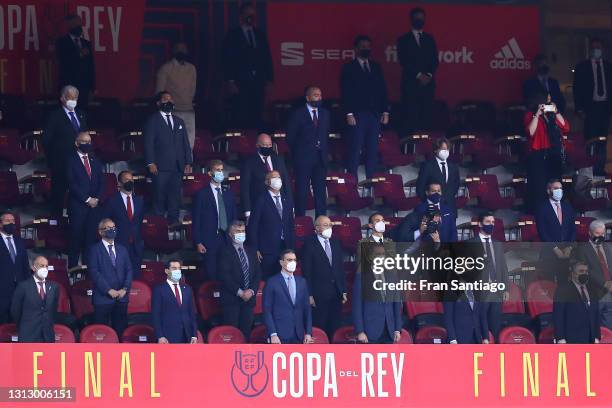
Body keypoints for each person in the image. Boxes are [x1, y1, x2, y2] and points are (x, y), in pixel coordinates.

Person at [341, 35, 389, 180]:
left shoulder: (376, 67)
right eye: (362, 47)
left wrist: (385, 111)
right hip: (357, 114)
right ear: (356, 49)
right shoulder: (349, 68)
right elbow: (345, 92)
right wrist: (349, 113)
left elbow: (383, 90)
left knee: (373, 149)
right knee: (355, 149)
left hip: (374, 114)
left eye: (368, 47)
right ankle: (352, 183)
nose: (366, 49)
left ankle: (371, 182)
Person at [144, 91, 193, 226]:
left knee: (175, 197)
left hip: (177, 166)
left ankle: (174, 222)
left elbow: (185, 144)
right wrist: (150, 162)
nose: (169, 102)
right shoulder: (152, 120)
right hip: (160, 166)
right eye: (165, 99)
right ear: (159, 103)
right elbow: (148, 143)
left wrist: (188, 162)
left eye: (171, 99)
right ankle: (159, 225)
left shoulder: (179, 121)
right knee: (159, 197)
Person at [223, 2, 273, 128]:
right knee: (241, 114)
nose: (251, 17)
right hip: (240, 82)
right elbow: (227, 59)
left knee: (257, 114)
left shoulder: (260, 35)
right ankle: (242, 144)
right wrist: (230, 81)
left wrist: (269, 79)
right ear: (241, 16)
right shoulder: (232, 35)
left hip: (258, 82)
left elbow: (267, 58)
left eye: (253, 15)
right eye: (248, 14)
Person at [43, 85, 88, 216]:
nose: (73, 100)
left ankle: (75, 221)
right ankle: (55, 223)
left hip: (79, 163)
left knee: (79, 194)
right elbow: (46, 140)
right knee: (58, 195)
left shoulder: (81, 114)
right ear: (62, 98)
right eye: (70, 97)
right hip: (61, 164)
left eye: (76, 98)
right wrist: (53, 162)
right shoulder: (54, 116)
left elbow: (84, 136)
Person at [301, 216, 347, 340]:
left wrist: (343, 290)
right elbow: (307, 272)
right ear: (317, 228)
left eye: (330, 225)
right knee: (320, 326)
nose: (329, 228)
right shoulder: (309, 244)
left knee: (335, 326)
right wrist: (309, 294)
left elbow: (340, 269)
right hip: (318, 294)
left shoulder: (335, 242)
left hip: (336, 293)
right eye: (326, 225)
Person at [287, 86, 329, 217]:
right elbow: (290, 138)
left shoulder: (326, 113)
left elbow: (324, 135)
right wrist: (300, 153)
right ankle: (300, 221)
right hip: (303, 160)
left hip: (320, 159)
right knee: (302, 192)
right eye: (316, 95)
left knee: (320, 193)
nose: (319, 97)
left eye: (320, 95)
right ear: (308, 97)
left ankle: (321, 221)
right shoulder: (297, 114)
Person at [466, 212, 509, 340]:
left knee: (495, 325)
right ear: (480, 224)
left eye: (493, 222)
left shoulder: (497, 243)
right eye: (487, 222)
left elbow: (503, 267)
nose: (491, 225)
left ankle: (494, 353)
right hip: (480, 291)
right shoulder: (470, 243)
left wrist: (505, 288)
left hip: (497, 290)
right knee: (480, 324)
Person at [524, 93, 570, 213]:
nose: (548, 104)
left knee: (555, 183)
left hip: (553, 154)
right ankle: (539, 212)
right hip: (538, 155)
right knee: (539, 187)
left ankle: (555, 211)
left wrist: (556, 111)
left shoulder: (552, 116)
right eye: (546, 101)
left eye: (550, 101)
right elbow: (530, 132)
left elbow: (566, 127)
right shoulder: (530, 114)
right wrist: (537, 114)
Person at [192, 160, 237, 280]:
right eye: (217, 170)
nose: (220, 173)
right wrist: (198, 242)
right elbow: (196, 219)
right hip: (209, 240)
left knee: (227, 274)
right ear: (209, 173)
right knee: (211, 274)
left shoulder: (229, 194)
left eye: (222, 170)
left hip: (226, 240)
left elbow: (233, 219)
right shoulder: (201, 194)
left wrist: (235, 238)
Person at [397, 7, 439, 134]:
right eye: (416, 17)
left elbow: (434, 60)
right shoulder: (403, 40)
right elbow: (404, 61)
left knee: (426, 120)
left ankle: (425, 151)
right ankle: (410, 151)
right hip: (410, 86)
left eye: (421, 17)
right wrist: (419, 75)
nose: (419, 20)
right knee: (410, 119)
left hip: (428, 86)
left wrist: (428, 75)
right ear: (411, 20)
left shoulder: (430, 39)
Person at [88, 219, 133, 338]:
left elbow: (129, 270)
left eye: (113, 227)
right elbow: (94, 272)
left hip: (121, 298)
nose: (112, 230)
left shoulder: (122, 249)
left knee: (121, 333)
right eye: (108, 228)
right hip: (103, 299)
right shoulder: (94, 249)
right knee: (101, 334)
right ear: (100, 232)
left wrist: (125, 289)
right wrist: (108, 290)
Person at [573, 38, 611, 175]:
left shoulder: (608, 67)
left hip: (604, 108)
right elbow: (577, 89)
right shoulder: (582, 67)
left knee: (602, 139)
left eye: (598, 48)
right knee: (590, 139)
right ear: (590, 50)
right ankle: (588, 168)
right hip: (590, 108)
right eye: (594, 48)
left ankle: (600, 168)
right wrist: (579, 108)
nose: (596, 50)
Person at [218, 221, 262, 340]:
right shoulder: (224, 252)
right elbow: (225, 276)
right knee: (232, 336)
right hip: (232, 300)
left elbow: (257, 274)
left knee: (246, 334)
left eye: (243, 231)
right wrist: (240, 292)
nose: (241, 233)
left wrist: (251, 291)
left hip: (249, 301)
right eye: (238, 231)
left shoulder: (252, 251)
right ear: (230, 234)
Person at [247, 171, 295, 279]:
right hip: (267, 248)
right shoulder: (260, 200)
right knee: (269, 279)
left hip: (285, 246)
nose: (277, 179)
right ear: (267, 182)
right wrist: (255, 248)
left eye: (279, 177)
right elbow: (253, 225)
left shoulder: (287, 199)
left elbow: (290, 224)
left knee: (285, 279)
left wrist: (291, 246)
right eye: (274, 177)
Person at [352, 243, 402, 344]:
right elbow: (357, 305)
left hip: (389, 330)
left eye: (383, 254)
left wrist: (397, 328)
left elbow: (396, 304)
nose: (381, 256)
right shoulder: (361, 275)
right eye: (378, 254)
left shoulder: (392, 274)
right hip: (369, 331)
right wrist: (360, 331)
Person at [66, 131, 103, 268]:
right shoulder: (70, 160)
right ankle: (72, 271)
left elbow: (101, 181)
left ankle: (89, 273)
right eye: (84, 142)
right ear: (77, 143)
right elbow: (71, 183)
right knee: (75, 240)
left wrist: (97, 198)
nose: (87, 144)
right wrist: (87, 199)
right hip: (78, 207)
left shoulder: (94, 159)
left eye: (89, 142)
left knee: (90, 240)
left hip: (93, 208)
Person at [262, 250, 313, 344]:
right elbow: (267, 310)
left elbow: (307, 309)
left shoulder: (302, 282)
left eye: (294, 260)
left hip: (299, 334)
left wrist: (308, 333)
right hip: (279, 335)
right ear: (281, 262)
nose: (293, 262)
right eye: (289, 260)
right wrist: (273, 334)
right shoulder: (272, 282)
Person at [101, 170, 144, 279]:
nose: (130, 182)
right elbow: (105, 222)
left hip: (136, 246)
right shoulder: (112, 201)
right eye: (126, 180)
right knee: (119, 278)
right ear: (119, 183)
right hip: (119, 245)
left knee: (135, 280)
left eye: (131, 180)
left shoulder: (139, 201)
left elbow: (139, 222)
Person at [240, 133, 292, 219]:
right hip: (259, 205)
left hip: (279, 202)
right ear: (258, 145)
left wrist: (291, 206)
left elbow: (286, 183)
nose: (268, 147)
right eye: (264, 145)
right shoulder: (249, 162)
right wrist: (247, 211)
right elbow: (245, 188)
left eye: (269, 145)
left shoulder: (279, 159)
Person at [155, 42, 197, 150]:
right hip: (173, 111)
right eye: (179, 49)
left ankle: (188, 165)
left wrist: (188, 101)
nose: (182, 52)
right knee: (172, 143)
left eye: (184, 49)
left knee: (189, 144)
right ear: (174, 52)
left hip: (188, 110)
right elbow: (159, 92)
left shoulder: (192, 68)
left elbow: (193, 88)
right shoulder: (166, 68)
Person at [10, 256, 58, 343]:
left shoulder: (54, 287)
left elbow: (53, 310)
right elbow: (15, 311)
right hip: (28, 336)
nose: (45, 268)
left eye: (46, 266)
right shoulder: (23, 286)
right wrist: (24, 327)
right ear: (33, 267)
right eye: (41, 265)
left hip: (48, 336)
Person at [536, 180, 576, 281]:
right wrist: (555, 249)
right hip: (550, 252)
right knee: (548, 282)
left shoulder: (567, 207)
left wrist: (569, 247)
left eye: (560, 188)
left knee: (563, 281)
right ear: (549, 191)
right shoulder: (542, 208)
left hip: (566, 252)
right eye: (556, 188)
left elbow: (573, 228)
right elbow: (542, 232)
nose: (559, 191)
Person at [553, 259, 601, 344]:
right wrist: (561, 338)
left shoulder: (592, 290)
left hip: (591, 339)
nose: (584, 274)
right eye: (581, 271)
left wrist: (597, 336)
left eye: (586, 271)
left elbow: (596, 314)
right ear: (572, 273)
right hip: (571, 340)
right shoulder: (563, 290)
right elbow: (558, 315)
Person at [152, 260, 198, 344]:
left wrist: (194, 334)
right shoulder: (159, 290)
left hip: (187, 335)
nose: (177, 271)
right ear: (167, 271)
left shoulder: (187, 289)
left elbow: (191, 313)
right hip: (168, 336)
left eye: (179, 268)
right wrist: (160, 336)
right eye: (174, 268)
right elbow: (156, 314)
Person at [56, 15, 95, 109]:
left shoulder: (86, 43)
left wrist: (92, 88)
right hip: (69, 87)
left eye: (80, 24)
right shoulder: (62, 43)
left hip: (84, 88)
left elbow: (91, 67)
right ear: (69, 26)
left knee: (83, 115)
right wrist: (80, 54)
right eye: (76, 25)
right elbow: (64, 63)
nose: (79, 27)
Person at [0, 213, 30, 324]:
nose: (11, 223)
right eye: (7, 221)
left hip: (19, 290)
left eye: (13, 221)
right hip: (2, 292)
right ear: (0, 223)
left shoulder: (19, 241)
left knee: (17, 325)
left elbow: (25, 266)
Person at [415, 137, 460, 212]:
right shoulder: (427, 166)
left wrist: (447, 198)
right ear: (436, 150)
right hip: (432, 208)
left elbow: (456, 185)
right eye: (443, 149)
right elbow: (420, 188)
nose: (445, 151)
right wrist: (430, 203)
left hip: (450, 208)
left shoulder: (454, 167)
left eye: (447, 149)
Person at [574, 220, 612, 293]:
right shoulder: (582, 249)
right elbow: (585, 270)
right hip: (596, 290)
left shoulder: (609, 247)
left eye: (602, 233)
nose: (600, 236)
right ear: (590, 233)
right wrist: (604, 283)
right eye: (597, 233)